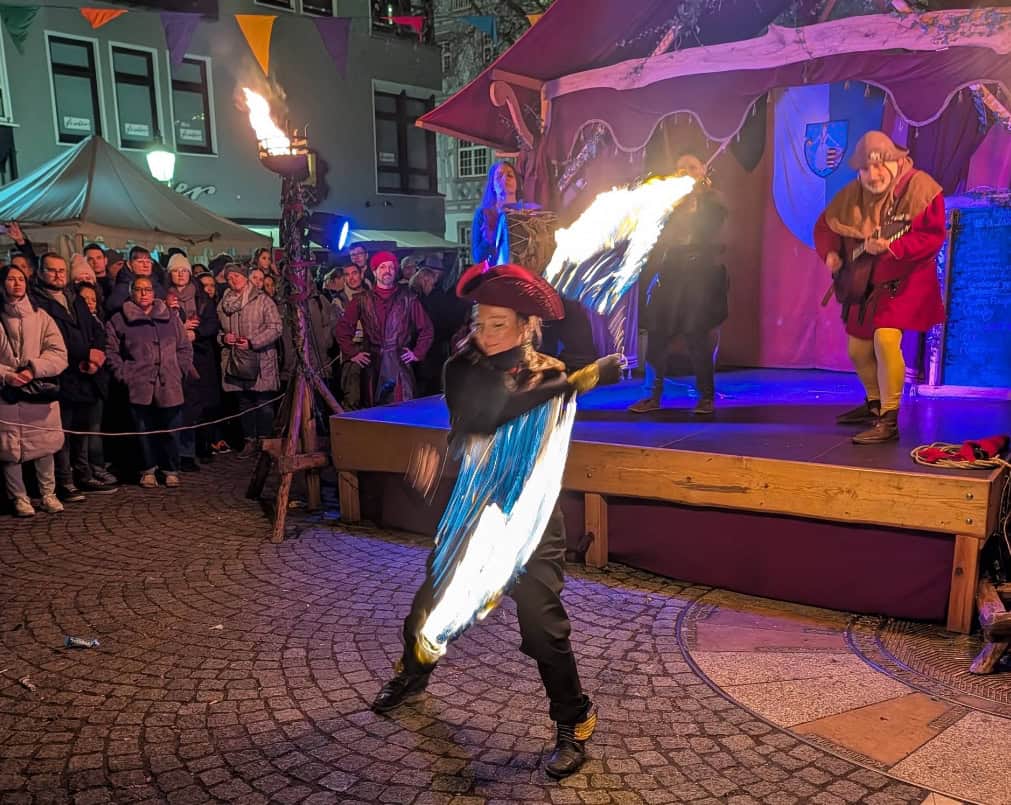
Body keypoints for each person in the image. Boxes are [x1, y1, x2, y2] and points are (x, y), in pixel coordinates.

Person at [372, 262, 622, 780]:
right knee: (430, 608)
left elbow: (536, 434)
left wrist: (566, 384)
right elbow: (483, 417)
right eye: (480, 322)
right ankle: (413, 674)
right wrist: (576, 383)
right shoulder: (463, 367)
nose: (484, 334)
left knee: (542, 627)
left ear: (528, 326)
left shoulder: (550, 372)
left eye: (498, 324)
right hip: (474, 508)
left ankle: (574, 720)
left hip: (529, 520)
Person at [814, 131, 945, 444]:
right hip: (864, 282)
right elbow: (825, 226)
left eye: (879, 167)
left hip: (904, 280)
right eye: (864, 169)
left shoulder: (922, 189)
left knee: (885, 340)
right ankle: (873, 405)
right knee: (858, 349)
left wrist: (894, 247)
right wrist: (831, 253)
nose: (872, 175)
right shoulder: (851, 193)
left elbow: (932, 236)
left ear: (895, 161)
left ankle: (889, 418)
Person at [630, 153, 729, 416]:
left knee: (696, 333)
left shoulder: (712, 200)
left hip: (700, 271)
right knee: (657, 332)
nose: (686, 171)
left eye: (692, 167)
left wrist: (694, 199)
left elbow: (711, 228)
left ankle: (705, 397)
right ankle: (651, 396)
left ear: (703, 170)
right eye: (680, 167)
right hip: (669, 270)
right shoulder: (668, 201)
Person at [30, 253, 115, 498]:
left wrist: (97, 352)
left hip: (86, 377)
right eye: (52, 270)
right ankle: (65, 481)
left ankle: (84, 474)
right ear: (41, 272)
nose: (57, 275)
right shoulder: (38, 302)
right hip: (61, 377)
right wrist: (83, 355)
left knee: (83, 430)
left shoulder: (75, 299)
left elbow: (95, 328)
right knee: (63, 434)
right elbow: (56, 340)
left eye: (61, 270)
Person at [105, 276, 194, 488]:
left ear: (154, 293)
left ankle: (171, 468)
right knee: (143, 431)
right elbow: (111, 352)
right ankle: (148, 469)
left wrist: (178, 369)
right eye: (139, 289)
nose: (144, 294)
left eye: (148, 289)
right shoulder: (119, 320)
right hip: (139, 384)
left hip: (169, 382)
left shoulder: (170, 318)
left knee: (171, 429)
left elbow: (184, 347)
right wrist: (125, 374)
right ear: (131, 292)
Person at [0, 264, 69, 516]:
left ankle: (48, 493)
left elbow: (58, 353)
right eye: (10, 279)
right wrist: (6, 375)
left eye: (21, 279)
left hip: (38, 391)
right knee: (10, 449)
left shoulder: (41, 317)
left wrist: (33, 368)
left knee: (45, 445)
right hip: (6, 395)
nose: (17, 283)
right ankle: (19, 497)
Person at [335, 251, 433, 406]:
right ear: (374, 271)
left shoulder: (408, 298)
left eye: (391, 267)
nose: (387, 271)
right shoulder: (361, 300)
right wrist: (352, 352)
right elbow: (343, 328)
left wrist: (417, 353)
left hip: (399, 364)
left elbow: (426, 328)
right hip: (373, 366)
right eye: (382, 267)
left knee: (402, 411)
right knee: (375, 413)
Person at [217, 263, 283, 458]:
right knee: (244, 402)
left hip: (260, 359)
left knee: (263, 402)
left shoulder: (263, 300)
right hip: (236, 360)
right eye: (230, 278)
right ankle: (249, 440)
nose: (233, 280)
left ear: (245, 277)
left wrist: (253, 342)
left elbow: (276, 327)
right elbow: (219, 331)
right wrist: (223, 338)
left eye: (237, 276)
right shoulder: (224, 303)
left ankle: (265, 441)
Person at [166, 254, 220, 470]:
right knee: (174, 407)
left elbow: (211, 323)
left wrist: (195, 333)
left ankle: (190, 452)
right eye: (176, 270)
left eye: (184, 270)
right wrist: (181, 328)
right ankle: (174, 453)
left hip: (199, 357)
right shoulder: (163, 297)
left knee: (194, 407)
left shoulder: (201, 299)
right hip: (172, 358)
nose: (181, 274)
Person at [409, 256, 469, 396]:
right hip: (434, 349)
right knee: (431, 384)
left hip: (423, 349)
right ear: (427, 280)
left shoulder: (416, 298)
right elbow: (446, 322)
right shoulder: (435, 299)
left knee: (424, 385)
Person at [105, 246, 166, 315]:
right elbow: (112, 307)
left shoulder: (158, 284)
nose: (146, 265)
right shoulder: (123, 287)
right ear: (130, 265)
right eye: (140, 262)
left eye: (148, 262)